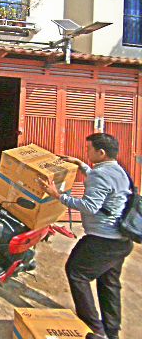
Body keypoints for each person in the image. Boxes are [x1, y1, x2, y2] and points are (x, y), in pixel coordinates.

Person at [39, 133, 133, 339]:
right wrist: (81, 165)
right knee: (109, 283)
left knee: (76, 272)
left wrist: (58, 196)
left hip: (102, 240)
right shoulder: (117, 170)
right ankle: (112, 332)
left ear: (101, 152)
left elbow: (90, 206)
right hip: (120, 241)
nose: (86, 152)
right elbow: (101, 182)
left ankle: (94, 329)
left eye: (89, 149)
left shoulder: (101, 175)